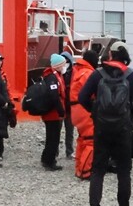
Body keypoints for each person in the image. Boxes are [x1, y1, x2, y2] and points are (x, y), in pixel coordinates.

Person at [79, 41, 133, 206]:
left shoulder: (98, 74)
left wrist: (95, 113)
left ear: (110, 54)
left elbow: (82, 97)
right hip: (123, 129)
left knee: (98, 170)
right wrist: (132, 117)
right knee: (124, 171)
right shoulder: (132, 75)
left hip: (102, 128)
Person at [70, 49, 98, 179]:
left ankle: (78, 168)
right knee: (90, 141)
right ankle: (85, 171)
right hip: (84, 109)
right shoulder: (88, 73)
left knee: (82, 139)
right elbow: (91, 93)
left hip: (76, 110)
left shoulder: (78, 71)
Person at [40, 54, 69, 171]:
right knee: (53, 138)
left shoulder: (55, 76)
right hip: (52, 113)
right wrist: (61, 111)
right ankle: (49, 161)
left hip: (53, 113)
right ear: (58, 66)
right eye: (63, 64)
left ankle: (46, 158)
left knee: (51, 137)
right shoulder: (52, 77)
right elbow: (54, 96)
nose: (65, 66)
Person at [61, 50, 76, 158]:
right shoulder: (58, 73)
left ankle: (69, 151)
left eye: (67, 61)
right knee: (56, 131)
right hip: (60, 106)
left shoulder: (74, 74)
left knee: (69, 131)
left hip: (70, 106)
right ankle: (56, 152)